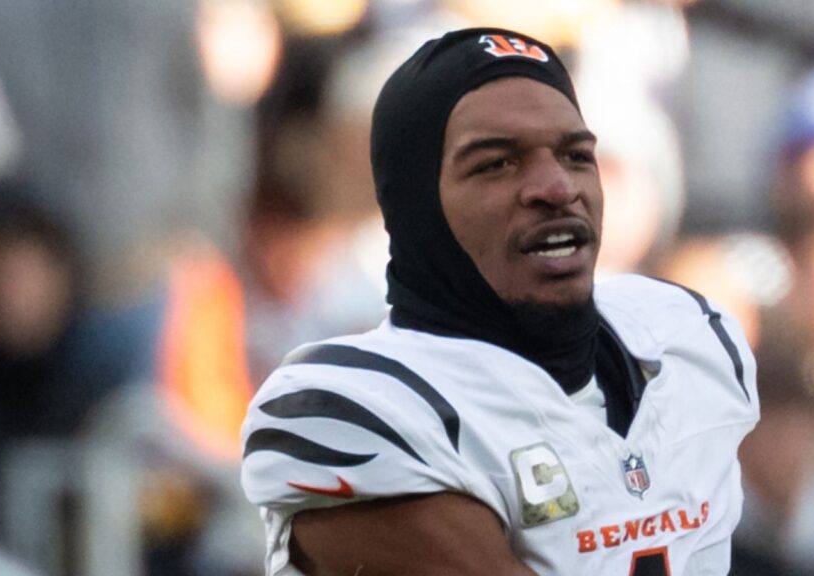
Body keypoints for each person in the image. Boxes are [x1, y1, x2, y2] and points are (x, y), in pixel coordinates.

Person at [240, 28, 759, 575]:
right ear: (417, 208)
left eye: (576, 155)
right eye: (496, 164)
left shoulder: (689, 339)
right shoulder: (354, 409)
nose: (557, 187)